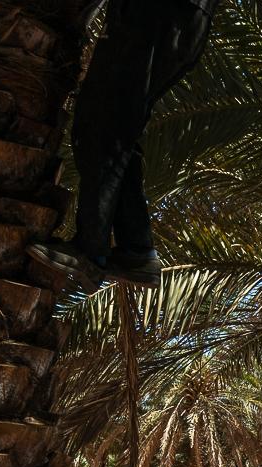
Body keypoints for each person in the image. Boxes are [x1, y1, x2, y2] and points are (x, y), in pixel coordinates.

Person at [29, 0, 218, 290]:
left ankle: (91, 251)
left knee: (104, 122)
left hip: (156, 15)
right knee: (113, 124)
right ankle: (135, 249)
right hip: (174, 20)